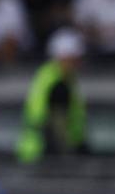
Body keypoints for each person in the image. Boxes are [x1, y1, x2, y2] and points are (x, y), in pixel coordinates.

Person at [16, 28, 88, 164]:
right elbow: (56, 124)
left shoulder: (52, 76)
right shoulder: (57, 83)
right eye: (75, 57)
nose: (79, 62)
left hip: (36, 151)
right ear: (64, 56)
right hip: (43, 153)